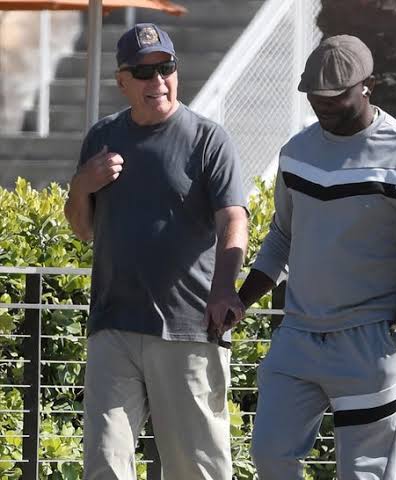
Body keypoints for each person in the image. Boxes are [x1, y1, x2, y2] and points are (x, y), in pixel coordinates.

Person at [228, 35, 396, 480]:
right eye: (314, 95)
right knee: (269, 455)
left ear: (369, 86)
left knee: (364, 474)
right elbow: (281, 238)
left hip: (370, 344)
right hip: (297, 338)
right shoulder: (295, 153)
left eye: (335, 95)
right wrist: (240, 301)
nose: (323, 105)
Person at [64, 23, 248, 480]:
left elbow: (234, 219)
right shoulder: (102, 138)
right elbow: (83, 229)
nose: (158, 81)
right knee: (104, 462)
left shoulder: (208, 139)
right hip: (113, 324)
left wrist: (224, 288)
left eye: (166, 67)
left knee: (195, 469)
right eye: (144, 72)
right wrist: (82, 185)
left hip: (188, 328)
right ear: (121, 81)